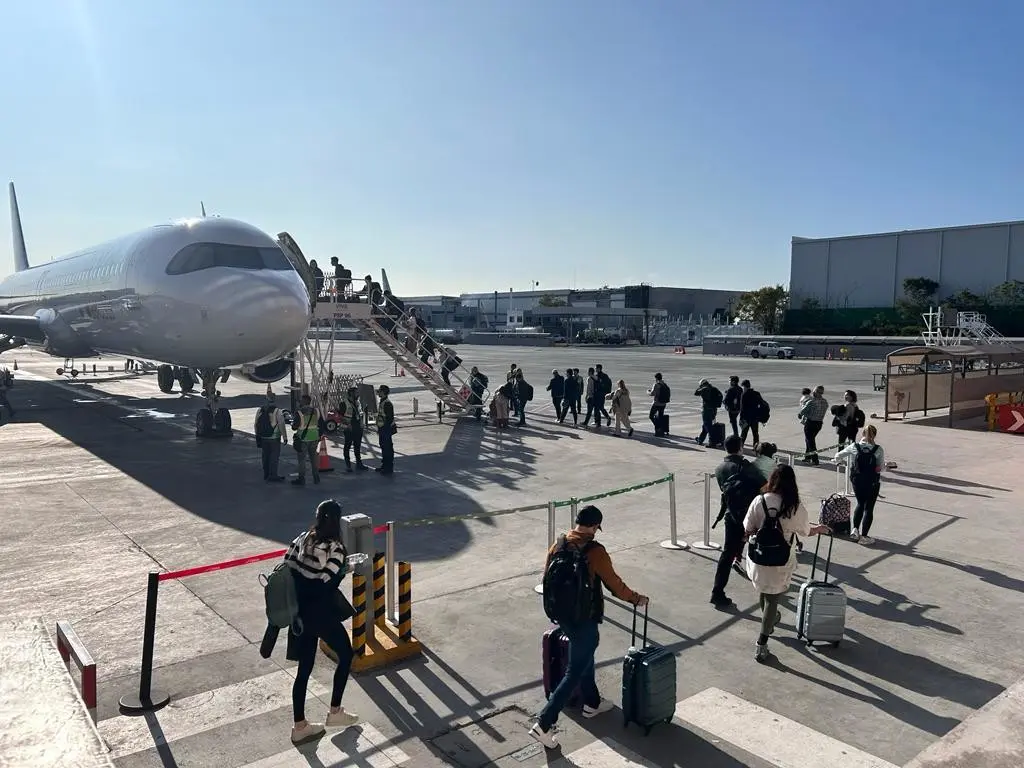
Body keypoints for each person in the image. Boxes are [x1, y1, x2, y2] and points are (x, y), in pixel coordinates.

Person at [529, 505, 649, 750]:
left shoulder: (558, 545)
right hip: (585, 618)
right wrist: (637, 598)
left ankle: (592, 703)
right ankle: (543, 723)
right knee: (574, 669)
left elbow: (546, 580)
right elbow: (614, 585)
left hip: (563, 616)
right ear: (595, 526)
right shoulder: (595, 551)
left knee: (583, 658)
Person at [284, 499, 361, 742]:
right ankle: (335, 711)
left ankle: (299, 727)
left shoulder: (303, 538)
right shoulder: (335, 548)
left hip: (299, 614)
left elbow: (287, 565)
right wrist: (342, 571)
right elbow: (325, 585)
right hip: (320, 613)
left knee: (304, 671)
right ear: (337, 521)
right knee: (346, 655)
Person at [743, 465, 830, 662]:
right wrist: (818, 529)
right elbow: (805, 531)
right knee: (773, 598)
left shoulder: (760, 501)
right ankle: (762, 642)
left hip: (759, 555)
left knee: (764, 592)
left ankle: (770, 621)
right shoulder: (794, 506)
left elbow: (748, 526)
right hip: (781, 558)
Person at [710, 435, 765, 609]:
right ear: (740, 447)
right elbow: (764, 485)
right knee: (760, 549)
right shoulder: (745, 466)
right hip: (751, 515)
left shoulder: (720, 468)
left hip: (731, 515)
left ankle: (717, 591)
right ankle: (766, 589)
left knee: (727, 553)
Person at [835, 425, 884, 544]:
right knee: (869, 508)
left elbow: (838, 456)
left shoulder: (854, 446)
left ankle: (855, 530)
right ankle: (864, 536)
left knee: (860, 503)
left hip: (857, 479)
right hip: (871, 481)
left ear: (862, 434)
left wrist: (841, 462)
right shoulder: (878, 449)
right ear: (875, 435)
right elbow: (880, 467)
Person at [254, 390, 288, 482]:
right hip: (274, 437)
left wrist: (257, 435)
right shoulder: (277, 411)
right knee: (274, 456)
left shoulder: (260, 410)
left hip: (263, 437)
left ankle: (266, 474)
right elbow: (281, 425)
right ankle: (273, 475)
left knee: (265, 456)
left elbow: (256, 424)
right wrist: (284, 437)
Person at [291, 394, 321, 486]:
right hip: (314, 438)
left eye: (301, 400)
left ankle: (301, 479)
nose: (300, 402)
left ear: (304, 402)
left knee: (302, 460)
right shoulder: (316, 411)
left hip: (303, 439)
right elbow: (320, 423)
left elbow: (294, 427)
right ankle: (316, 478)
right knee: (313, 459)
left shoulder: (300, 413)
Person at [338, 386, 367, 472]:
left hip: (358, 427)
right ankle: (348, 465)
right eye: (356, 392)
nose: (358, 394)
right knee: (347, 446)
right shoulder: (344, 403)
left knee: (357, 446)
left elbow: (360, 413)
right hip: (349, 428)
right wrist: (347, 424)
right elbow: (340, 416)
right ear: (351, 393)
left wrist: (362, 423)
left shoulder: (358, 402)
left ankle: (359, 463)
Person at [798, 385, 828, 465]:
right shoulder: (825, 401)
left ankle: (815, 460)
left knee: (810, 441)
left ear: (816, 392)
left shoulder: (811, 401)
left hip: (810, 423)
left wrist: (801, 415)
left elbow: (802, 411)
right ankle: (807, 457)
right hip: (819, 423)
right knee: (809, 439)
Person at [694, 378, 723, 446]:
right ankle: (700, 439)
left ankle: (712, 442)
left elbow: (696, 393)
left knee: (708, 426)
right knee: (706, 425)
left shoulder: (704, 388)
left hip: (707, 410)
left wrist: (700, 387)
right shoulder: (714, 388)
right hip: (714, 410)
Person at [375, 385, 396, 474]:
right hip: (382, 429)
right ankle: (384, 466)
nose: (378, 393)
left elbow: (389, 419)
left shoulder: (387, 403)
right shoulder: (382, 402)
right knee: (383, 447)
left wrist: (383, 429)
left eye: (379, 391)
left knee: (387, 448)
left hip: (386, 429)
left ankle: (388, 468)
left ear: (383, 392)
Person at [739, 379, 765, 447]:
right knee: (755, 433)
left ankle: (740, 447)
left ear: (745, 386)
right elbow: (762, 404)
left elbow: (742, 408)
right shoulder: (757, 393)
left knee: (743, 434)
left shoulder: (744, 395)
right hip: (755, 418)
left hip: (746, 418)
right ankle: (756, 447)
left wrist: (741, 418)